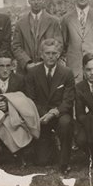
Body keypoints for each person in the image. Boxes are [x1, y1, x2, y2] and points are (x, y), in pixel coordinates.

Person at [23, 38, 75, 173]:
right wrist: (44, 114)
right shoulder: (32, 73)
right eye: (47, 53)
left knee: (66, 123)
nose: (50, 56)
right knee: (42, 161)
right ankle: (50, 143)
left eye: (54, 53)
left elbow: (68, 100)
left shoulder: (67, 73)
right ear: (41, 54)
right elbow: (30, 99)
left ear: (58, 55)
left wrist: (53, 113)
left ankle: (64, 162)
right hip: (40, 116)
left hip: (59, 115)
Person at [12, 0, 63, 75]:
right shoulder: (20, 23)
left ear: (43, 0)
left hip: (48, 69)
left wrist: (44, 62)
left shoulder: (54, 21)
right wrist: (27, 63)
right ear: (29, 1)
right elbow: (16, 46)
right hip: (26, 71)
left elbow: (59, 45)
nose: (36, 2)